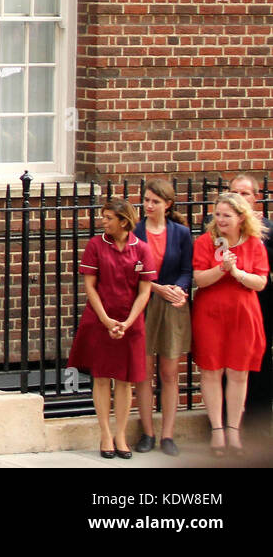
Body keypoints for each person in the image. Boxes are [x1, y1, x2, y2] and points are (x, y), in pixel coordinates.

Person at [68, 198, 158, 458]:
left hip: (131, 322)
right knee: (101, 376)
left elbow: (145, 290)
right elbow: (90, 286)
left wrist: (128, 322)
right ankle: (105, 433)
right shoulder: (96, 245)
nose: (103, 221)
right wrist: (107, 320)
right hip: (100, 320)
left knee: (124, 380)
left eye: (108, 217)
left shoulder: (141, 249)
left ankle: (121, 434)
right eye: (103, 216)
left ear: (123, 221)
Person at [192, 191, 268, 456]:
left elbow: (261, 282)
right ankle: (217, 430)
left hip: (242, 314)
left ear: (240, 218)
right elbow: (199, 279)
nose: (221, 220)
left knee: (238, 372)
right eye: (218, 214)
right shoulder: (205, 242)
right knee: (211, 371)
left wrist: (237, 272)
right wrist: (221, 269)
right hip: (211, 314)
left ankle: (234, 429)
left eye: (227, 215)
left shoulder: (255, 244)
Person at [132, 179, 193, 456]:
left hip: (172, 305)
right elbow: (129, 269)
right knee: (143, 372)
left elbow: (187, 268)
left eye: (155, 201)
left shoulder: (180, 232)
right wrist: (156, 287)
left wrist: (179, 290)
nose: (148, 205)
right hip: (144, 302)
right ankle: (148, 432)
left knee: (169, 372)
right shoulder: (135, 231)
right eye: (146, 200)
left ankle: (168, 434)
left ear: (167, 205)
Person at [231, 172, 272, 439]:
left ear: (256, 198)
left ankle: (258, 420)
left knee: (260, 359)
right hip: (229, 302)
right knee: (229, 360)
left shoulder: (268, 228)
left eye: (244, 193)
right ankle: (229, 421)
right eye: (234, 192)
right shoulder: (219, 225)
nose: (239, 198)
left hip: (262, 302)